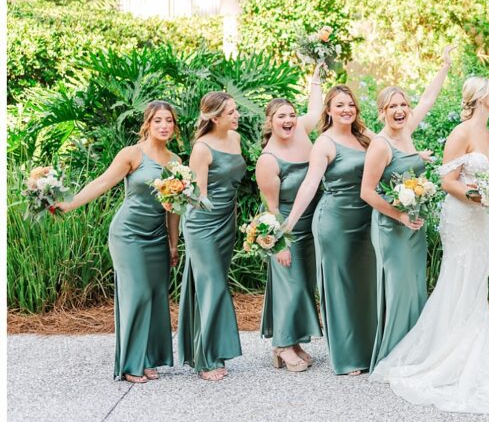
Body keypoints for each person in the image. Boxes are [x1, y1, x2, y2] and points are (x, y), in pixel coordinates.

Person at [369, 77, 489, 413]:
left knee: (478, 280)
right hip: (462, 216)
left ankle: (471, 340)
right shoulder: (461, 133)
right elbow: (447, 180)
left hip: (483, 220)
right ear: (480, 98)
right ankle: (447, 350)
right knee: (459, 276)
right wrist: (478, 197)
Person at [55, 101, 181, 383]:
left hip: (157, 236)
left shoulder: (176, 163)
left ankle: (149, 359)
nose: (164, 125)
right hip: (128, 234)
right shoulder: (132, 154)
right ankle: (130, 364)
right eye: (158, 120)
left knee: (156, 295)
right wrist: (70, 204)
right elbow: (102, 182)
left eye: (169, 121)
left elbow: (173, 209)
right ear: (147, 124)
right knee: (136, 294)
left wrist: (173, 243)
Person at [361, 47, 454, 370]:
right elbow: (367, 192)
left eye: (403, 105)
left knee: (415, 288)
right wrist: (400, 214)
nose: (400, 110)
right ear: (382, 112)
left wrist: (444, 67)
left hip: (414, 226)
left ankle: (414, 354)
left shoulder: (407, 133)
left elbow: (428, 99)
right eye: (392, 106)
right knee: (400, 291)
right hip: (392, 228)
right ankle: (392, 357)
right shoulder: (380, 145)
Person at [284, 84, 377, 375]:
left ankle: (371, 349)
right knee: (341, 288)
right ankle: (348, 357)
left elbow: (392, 153)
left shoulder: (365, 138)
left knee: (366, 285)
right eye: (339, 105)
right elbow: (310, 185)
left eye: (350, 104)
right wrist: (288, 225)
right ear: (329, 110)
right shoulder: (324, 143)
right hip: (334, 222)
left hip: (366, 221)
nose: (346, 109)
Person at [255, 64, 326, 372]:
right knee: (290, 286)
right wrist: (280, 243)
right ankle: (282, 345)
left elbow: (316, 107)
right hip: (286, 228)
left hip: (312, 226)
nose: (289, 120)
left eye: (291, 114)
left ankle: (294, 341)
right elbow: (271, 207)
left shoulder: (303, 134)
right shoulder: (268, 160)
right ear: (270, 123)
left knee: (303, 285)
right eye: (281, 116)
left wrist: (315, 78)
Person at [177, 91, 246, 381]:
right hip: (202, 224)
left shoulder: (236, 139)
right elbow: (198, 197)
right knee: (212, 286)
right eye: (231, 112)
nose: (237, 115)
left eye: (236, 110)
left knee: (212, 285)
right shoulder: (202, 149)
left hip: (226, 223)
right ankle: (206, 359)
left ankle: (204, 349)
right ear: (215, 117)